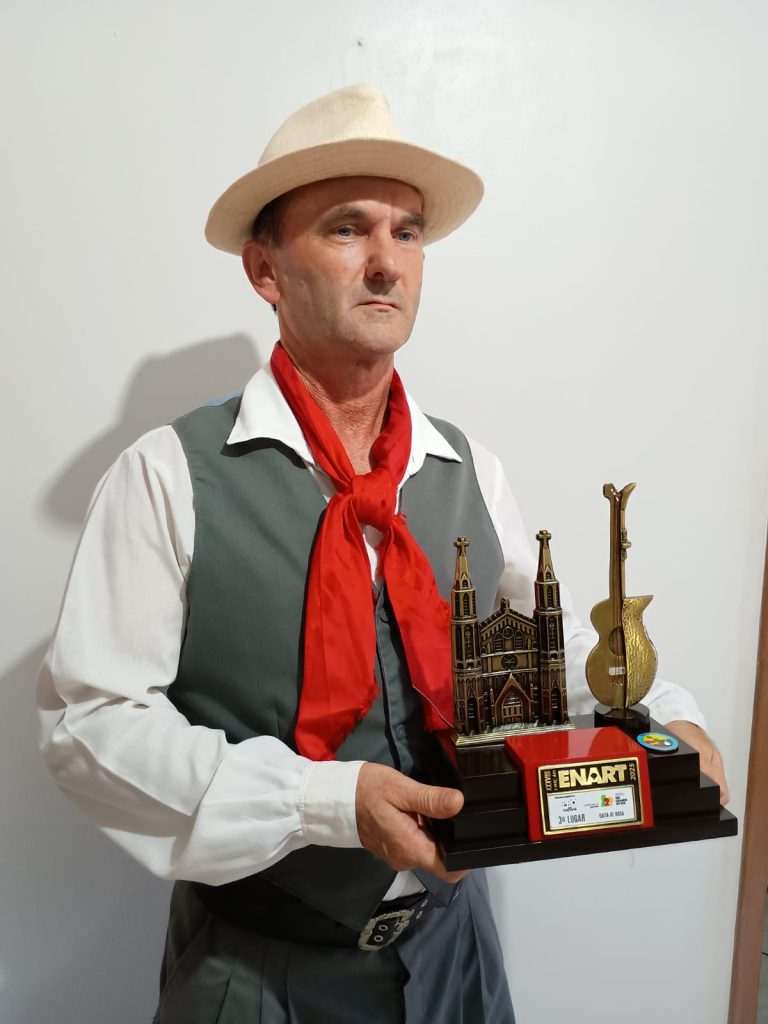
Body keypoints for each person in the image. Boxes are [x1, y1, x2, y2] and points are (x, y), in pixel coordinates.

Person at [38, 84, 728, 1024]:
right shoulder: (166, 476)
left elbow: (539, 652)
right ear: (265, 269)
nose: (386, 264)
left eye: (407, 233)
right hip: (256, 975)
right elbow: (90, 726)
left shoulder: (469, 467)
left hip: (455, 956)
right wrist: (325, 803)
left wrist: (664, 717)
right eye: (347, 229)